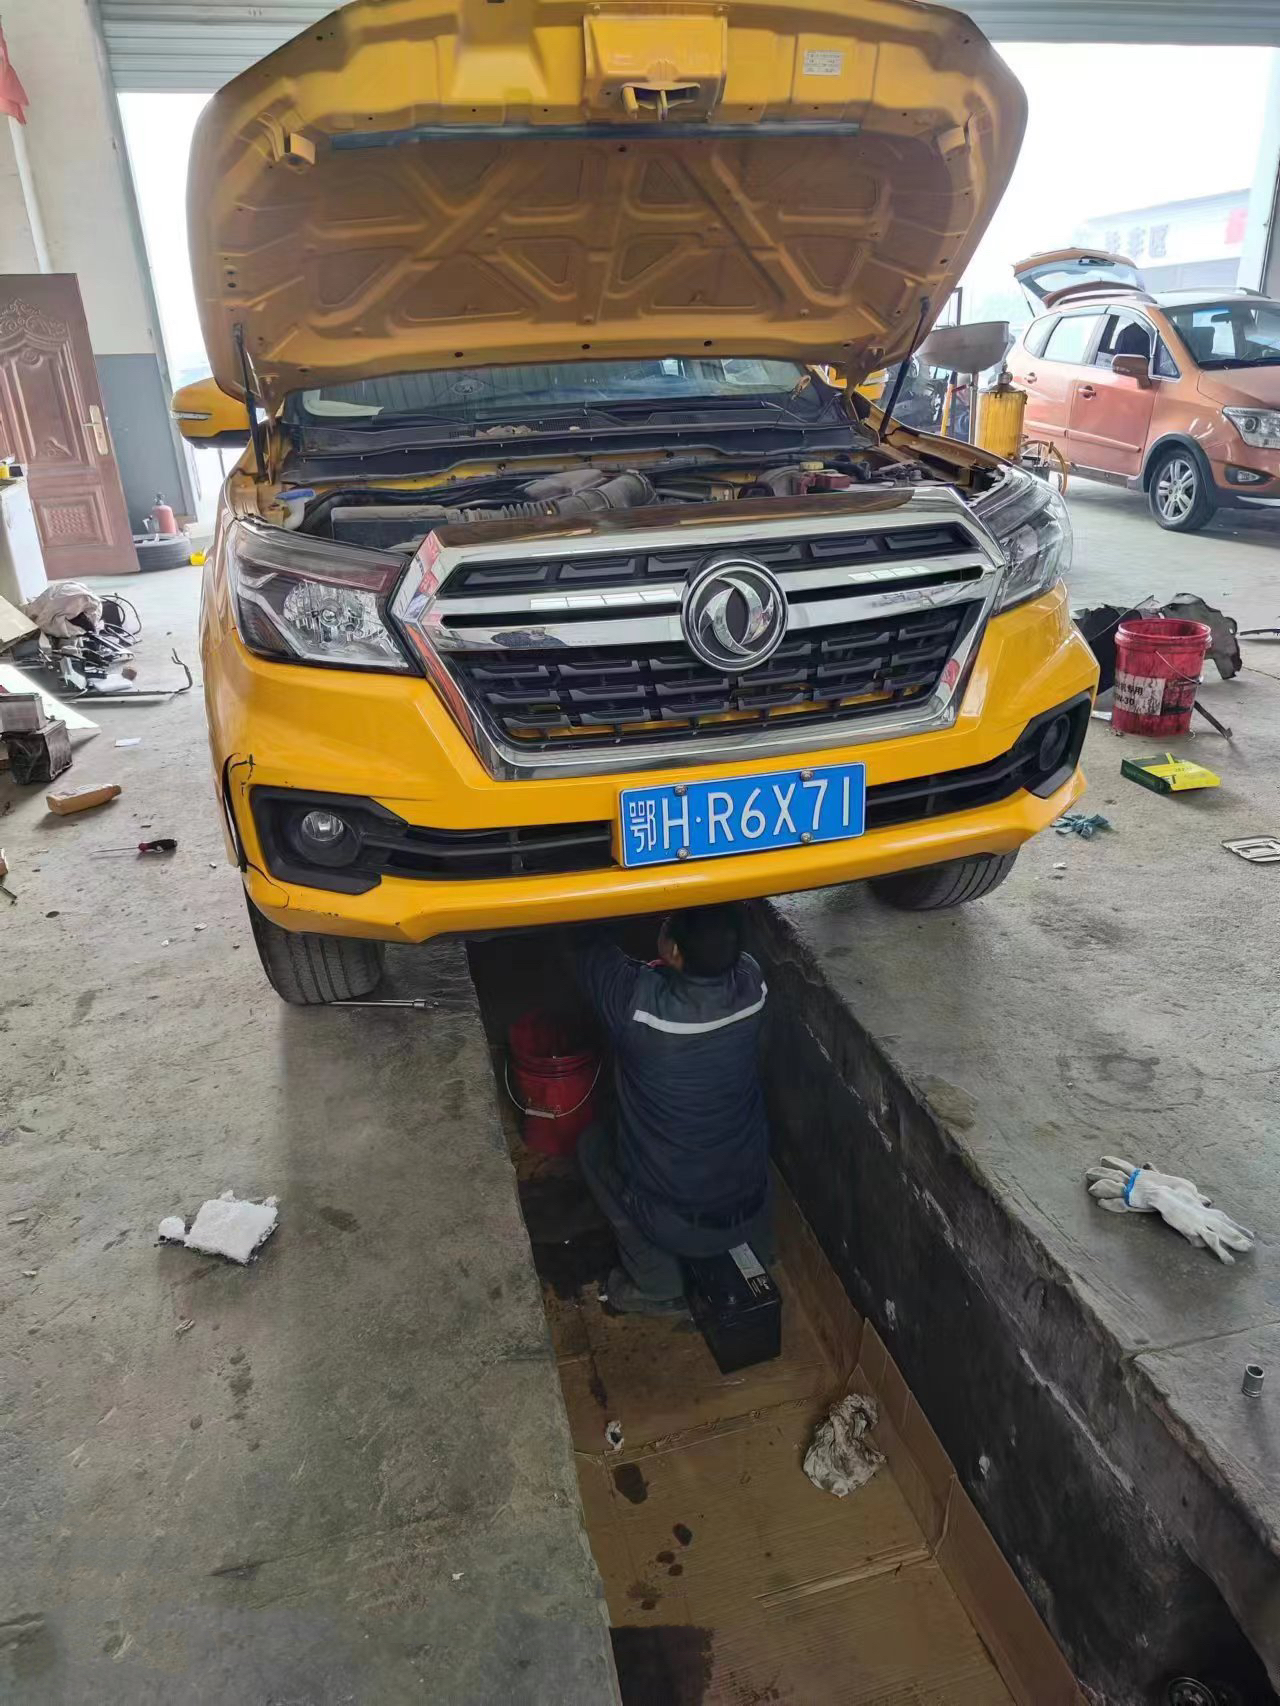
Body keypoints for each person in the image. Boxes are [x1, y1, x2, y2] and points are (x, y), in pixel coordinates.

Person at [573, 903, 773, 1314]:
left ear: (675, 952)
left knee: (592, 1147)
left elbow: (583, 941)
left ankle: (657, 1282)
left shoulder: (638, 1005)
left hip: (676, 1223)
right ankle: (757, 1253)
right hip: (752, 1206)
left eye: (668, 923)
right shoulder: (752, 983)